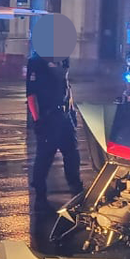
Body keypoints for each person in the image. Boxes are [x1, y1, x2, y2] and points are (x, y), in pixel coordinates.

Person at [26, 51, 82, 203]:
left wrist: (72, 112)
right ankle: (40, 194)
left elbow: (66, 85)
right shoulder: (36, 61)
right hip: (48, 117)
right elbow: (31, 94)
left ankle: (76, 188)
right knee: (45, 156)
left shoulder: (63, 58)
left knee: (72, 154)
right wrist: (37, 120)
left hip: (65, 115)